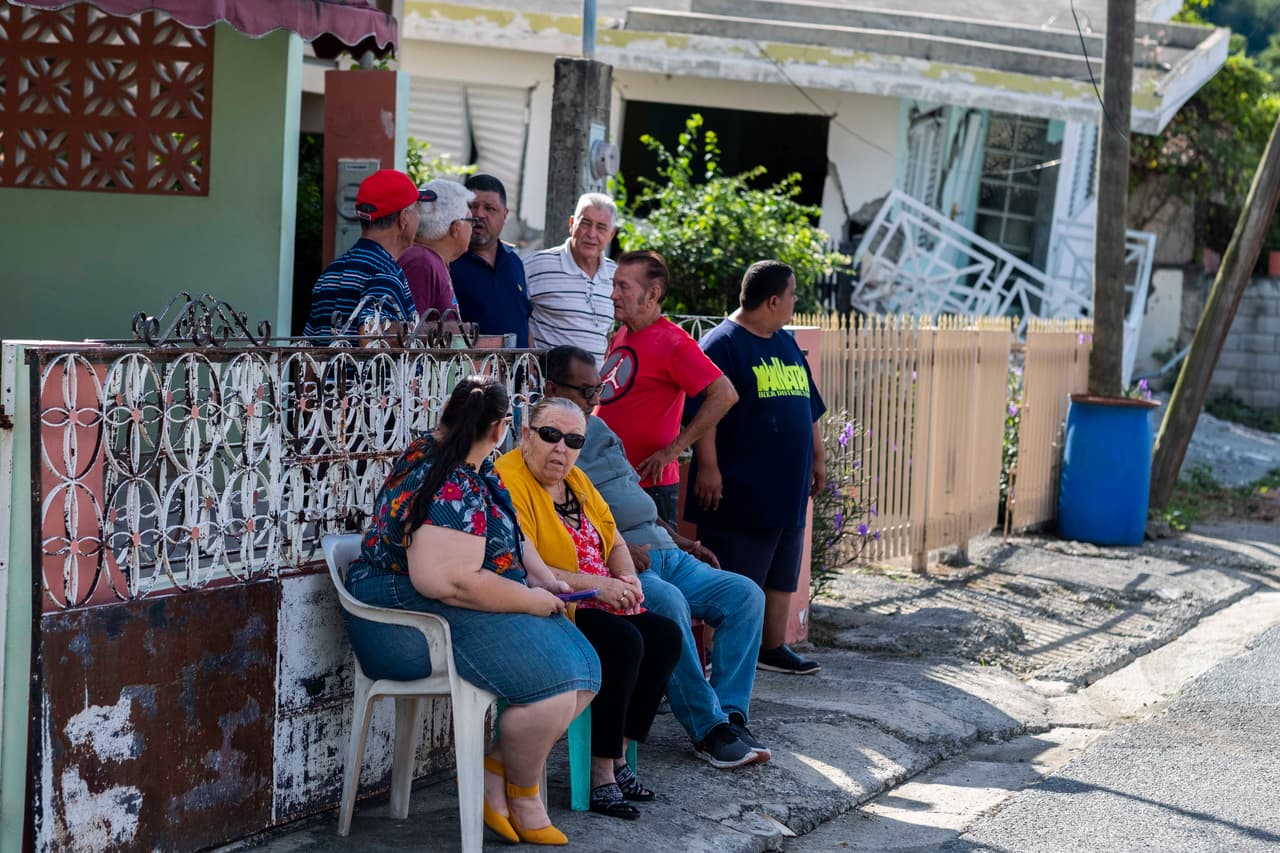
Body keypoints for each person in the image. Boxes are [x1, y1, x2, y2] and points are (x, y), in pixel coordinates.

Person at [344, 376, 599, 845]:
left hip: (445, 609)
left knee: (583, 669)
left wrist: (543, 577)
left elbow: (513, 537)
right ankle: (522, 794)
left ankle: (496, 768)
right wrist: (531, 600)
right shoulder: (447, 480)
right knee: (562, 680)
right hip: (405, 625)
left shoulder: (473, 466)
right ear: (502, 427)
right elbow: (447, 582)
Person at [545, 345, 769, 769]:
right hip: (621, 562)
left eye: (598, 390)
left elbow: (635, 497)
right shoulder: (551, 442)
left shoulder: (600, 429)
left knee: (746, 595)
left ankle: (730, 715)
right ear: (552, 388)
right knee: (667, 604)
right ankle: (708, 730)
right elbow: (557, 520)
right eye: (585, 391)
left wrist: (683, 541)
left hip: (666, 550)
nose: (595, 400)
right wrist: (617, 551)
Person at [495, 398, 681, 818]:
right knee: (623, 642)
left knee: (665, 636)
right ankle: (600, 776)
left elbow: (613, 539)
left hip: (598, 598)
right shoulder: (509, 478)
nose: (561, 448)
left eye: (574, 440)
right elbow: (527, 565)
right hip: (551, 603)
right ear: (526, 435)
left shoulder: (577, 480)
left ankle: (620, 758)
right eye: (550, 435)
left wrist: (626, 578)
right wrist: (600, 585)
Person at [686, 260, 827, 676]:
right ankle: (716, 658)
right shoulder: (723, 344)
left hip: (787, 486)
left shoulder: (784, 342)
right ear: (772, 300)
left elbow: (808, 406)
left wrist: (818, 457)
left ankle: (771, 646)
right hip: (741, 488)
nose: (795, 301)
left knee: (782, 570)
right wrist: (708, 465)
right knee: (734, 576)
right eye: (792, 293)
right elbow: (704, 412)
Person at [597, 250, 739, 526]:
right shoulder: (624, 332)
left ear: (652, 294)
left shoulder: (674, 342)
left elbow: (725, 394)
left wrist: (673, 450)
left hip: (649, 487)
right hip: (612, 482)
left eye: (623, 286)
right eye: (613, 285)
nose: (613, 294)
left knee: (655, 566)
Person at [303, 169, 423, 341]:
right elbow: (369, 335)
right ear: (404, 218)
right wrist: (432, 332)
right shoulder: (385, 271)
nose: (419, 219)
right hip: (367, 369)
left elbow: (309, 355)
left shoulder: (331, 272)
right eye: (417, 210)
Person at [524, 193, 618, 365]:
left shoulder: (616, 275)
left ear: (611, 234)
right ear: (571, 224)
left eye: (601, 227)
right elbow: (514, 316)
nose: (591, 233)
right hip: (546, 386)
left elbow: (608, 334)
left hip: (593, 390)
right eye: (585, 223)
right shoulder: (536, 264)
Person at [449, 174, 533, 347]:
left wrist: (532, 369)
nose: (479, 214)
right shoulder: (449, 261)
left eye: (490, 208)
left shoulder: (514, 262)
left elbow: (524, 321)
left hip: (518, 371)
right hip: (470, 371)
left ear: (505, 214)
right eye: (472, 206)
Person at [397, 178, 470, 320]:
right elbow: (410, 334)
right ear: (456, 228)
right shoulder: (421, 262)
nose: (472, 229)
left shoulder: (429, 260)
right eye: (470, 221)